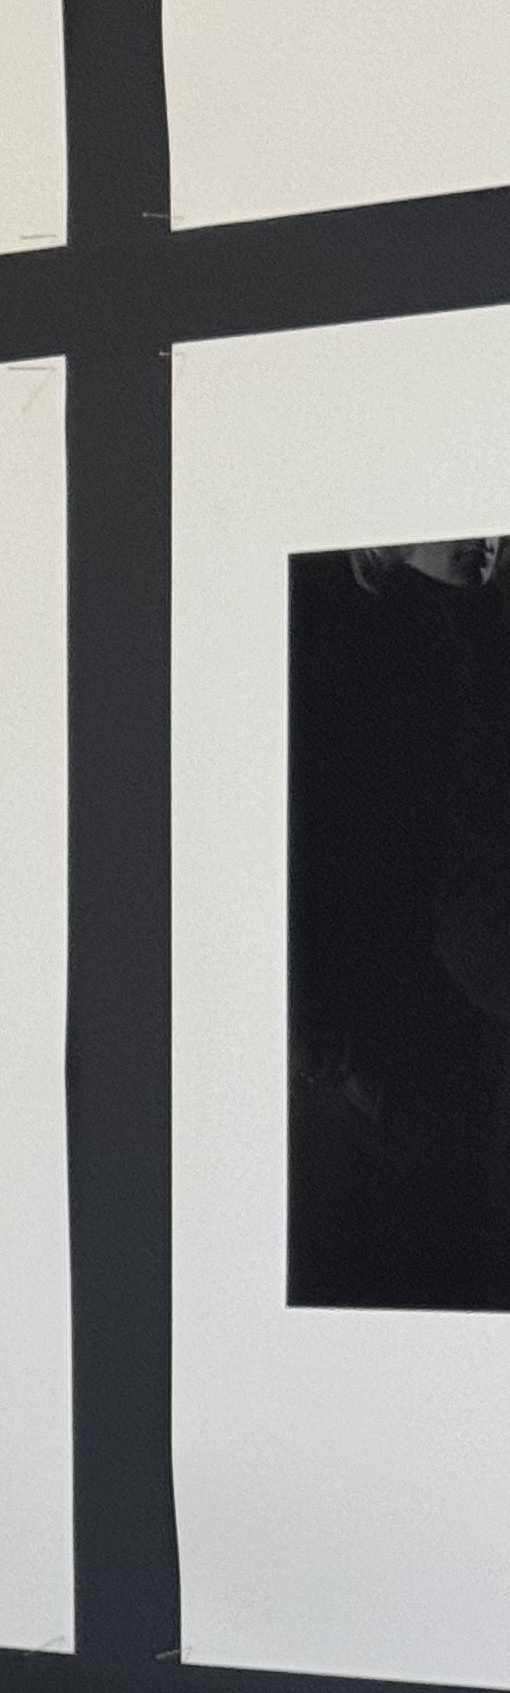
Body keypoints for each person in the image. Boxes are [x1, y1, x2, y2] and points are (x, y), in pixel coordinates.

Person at [287, 537, 510, 1308]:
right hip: (391, 1027)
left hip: (432, 1020)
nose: (485, 544)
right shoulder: (344, 628)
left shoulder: (464, 623)